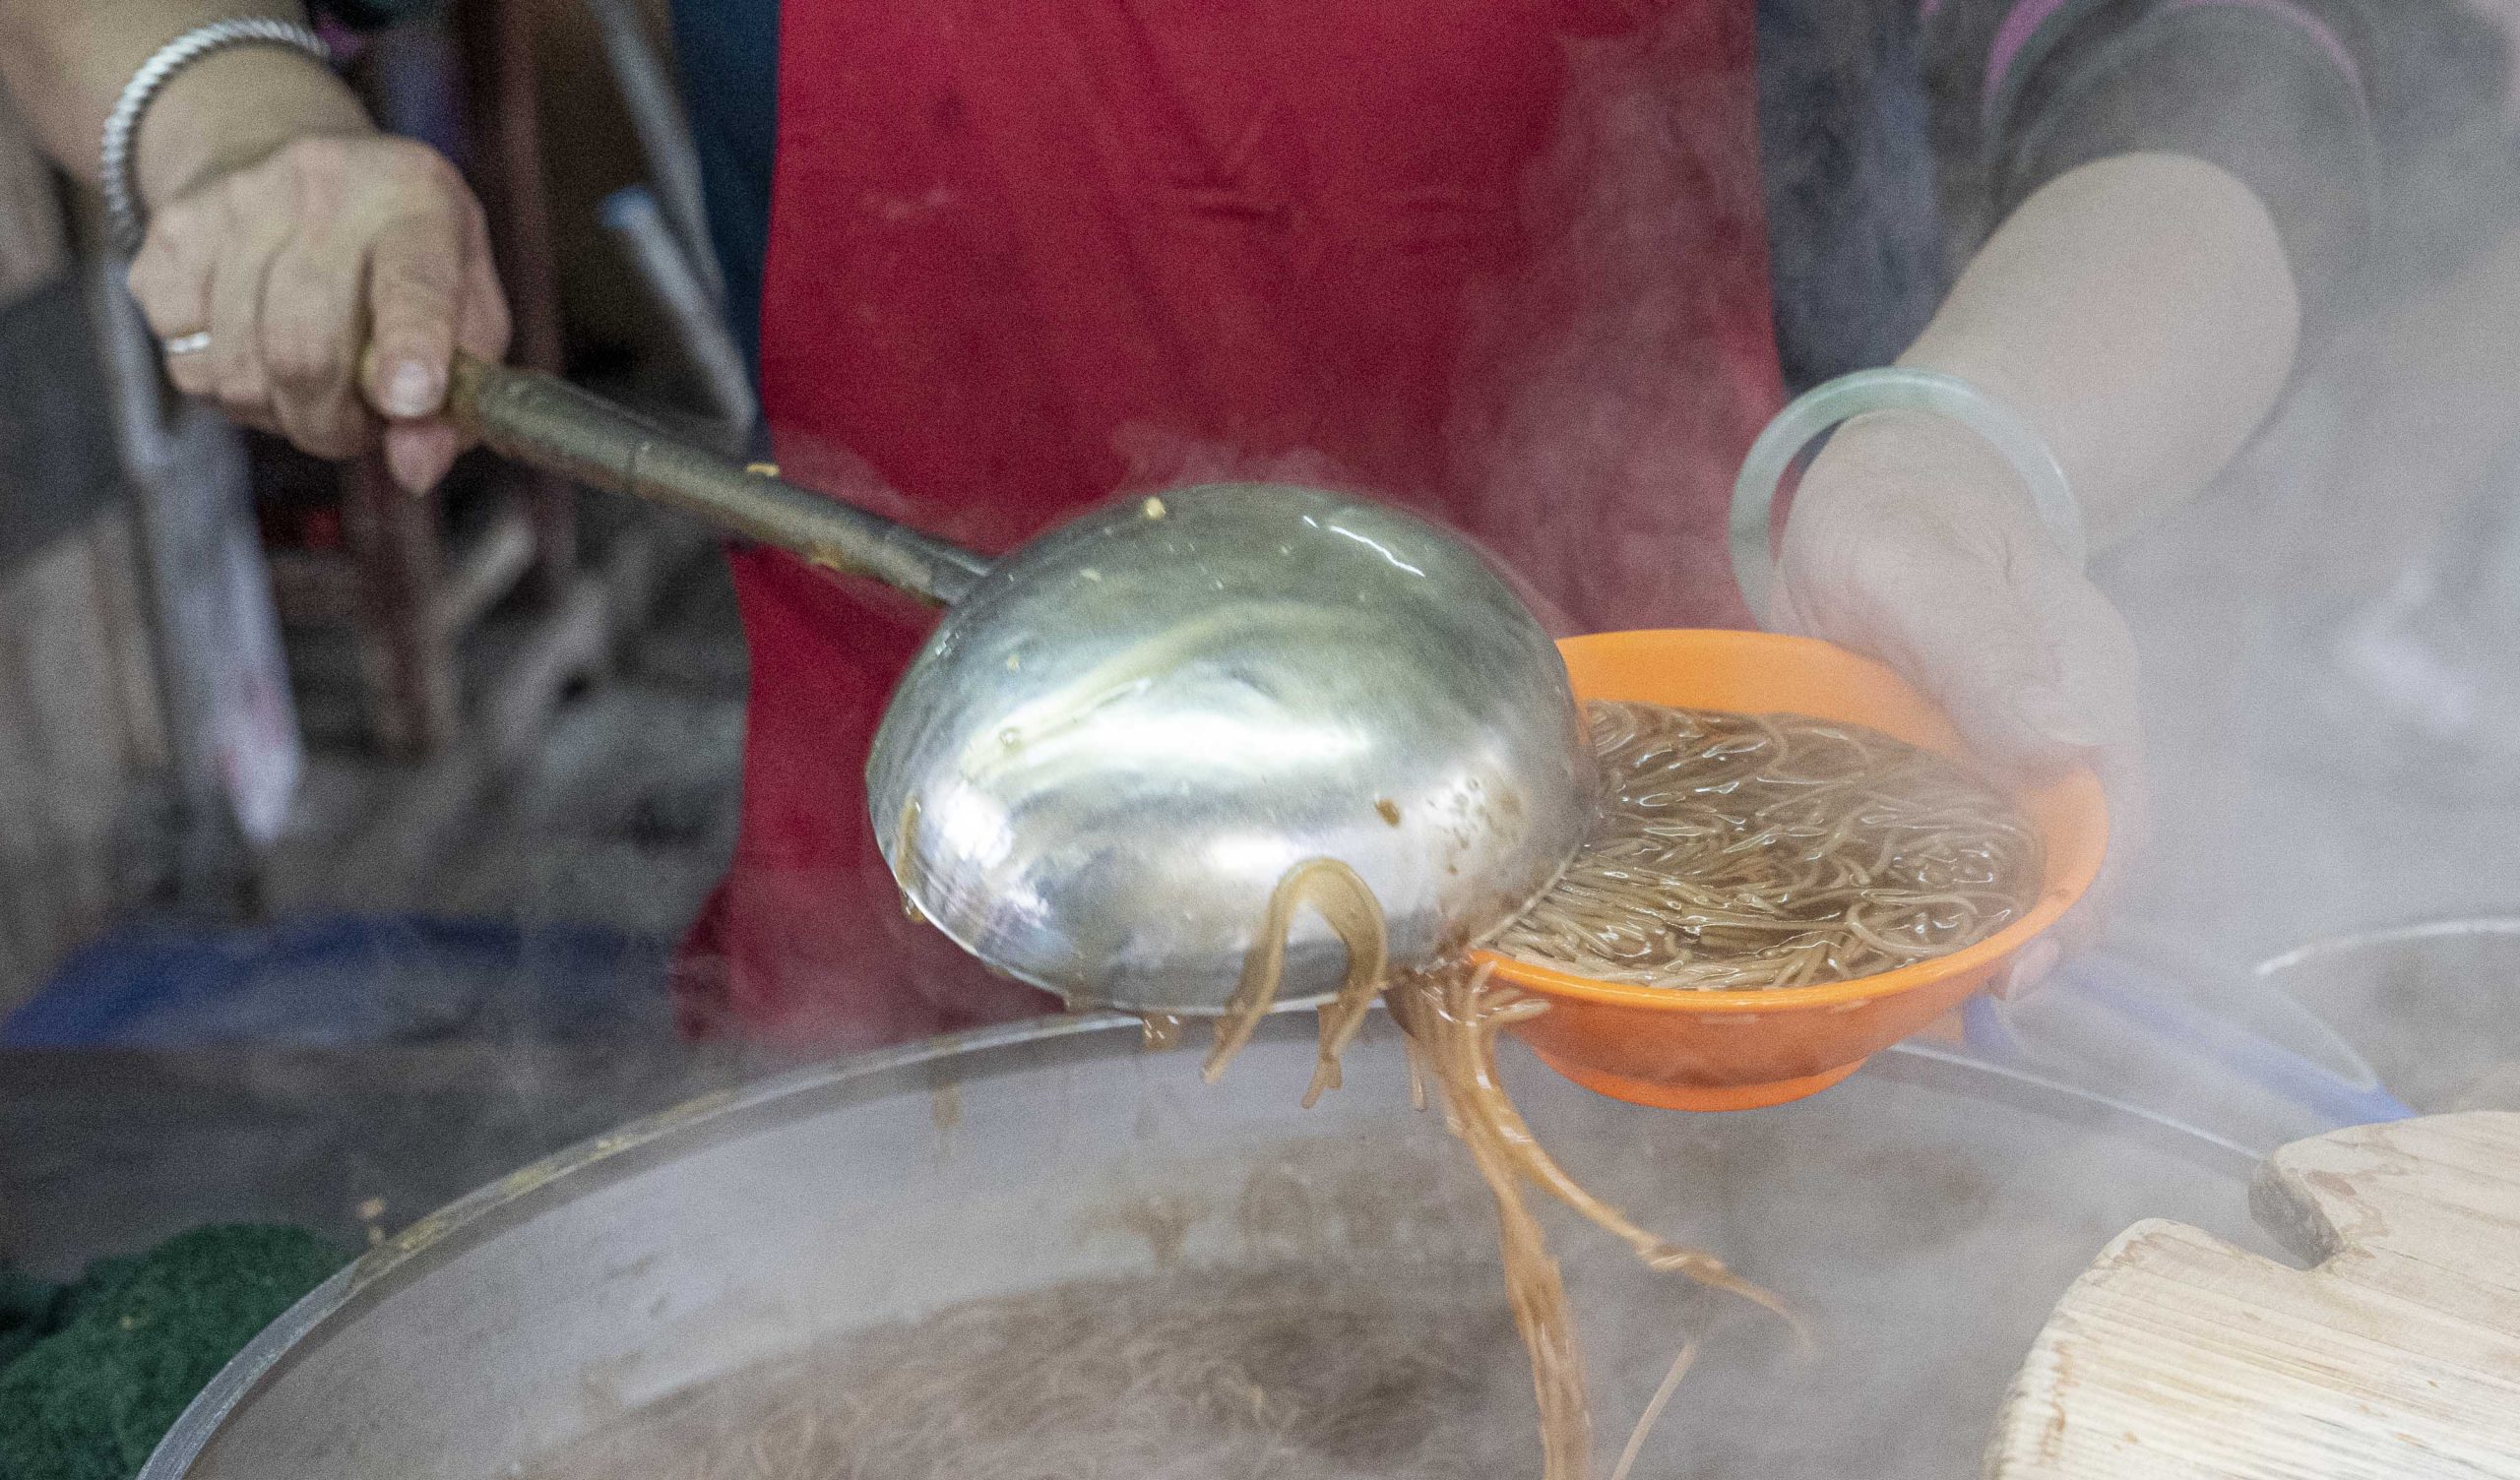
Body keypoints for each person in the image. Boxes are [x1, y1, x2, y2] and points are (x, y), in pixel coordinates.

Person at [1, 0, 2494, 1046]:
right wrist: (235, 125)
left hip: (1683, 913)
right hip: (932, 950)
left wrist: (1966, 457)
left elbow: (2252, 57)